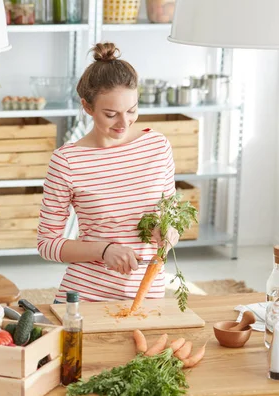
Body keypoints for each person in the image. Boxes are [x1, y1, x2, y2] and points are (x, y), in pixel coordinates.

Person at [37, 42, 179, 303]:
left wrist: (169, 232)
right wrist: (104, 251)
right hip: (86, 298)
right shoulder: (67, 161)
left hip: (148, 295)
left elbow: (172, 216)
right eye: (111, 114)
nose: (124, 123)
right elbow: (47, 244)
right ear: (88, 107)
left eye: (132, 110)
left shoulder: (158, 146)